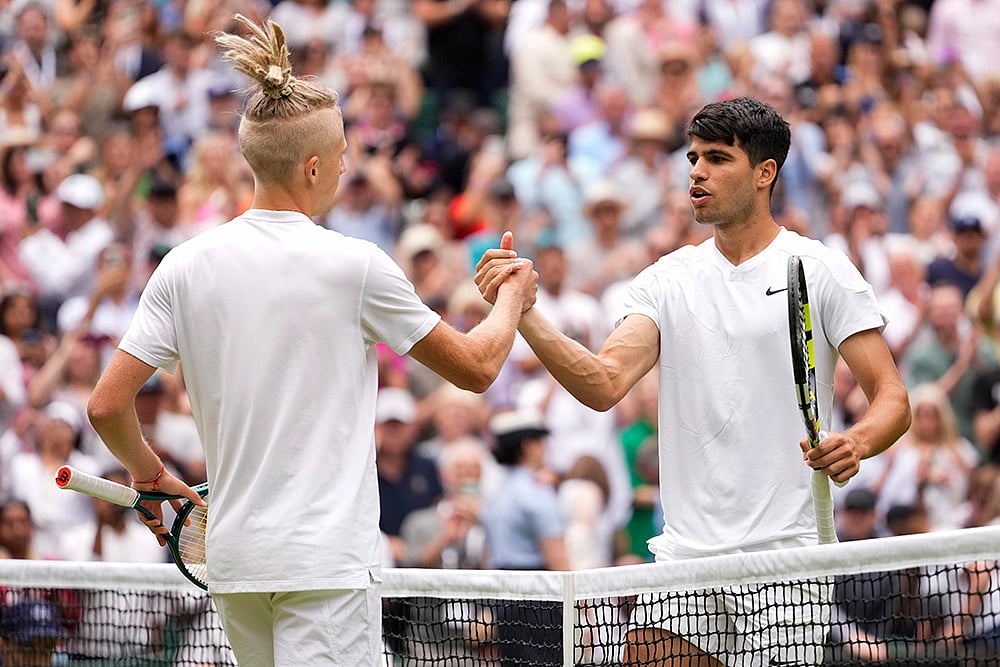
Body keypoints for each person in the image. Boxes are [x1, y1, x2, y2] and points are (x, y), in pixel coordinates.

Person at [83, 14, 537, 667]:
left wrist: (148, 474)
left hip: (237, 563)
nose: (349, 166)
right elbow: (476, 365)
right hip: (324, 565)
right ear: (316, 165)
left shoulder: (183, 264)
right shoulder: (354, 264)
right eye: (346, 155)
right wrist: (515, 295)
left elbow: (105, 405)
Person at [476, 96, 912, 666]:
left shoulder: (818, 268)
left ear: (764, 173)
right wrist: (527, 313)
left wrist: (856, 440)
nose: (697, 172)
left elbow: (892, 398)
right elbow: (604, 383)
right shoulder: (667, 279)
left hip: (787, 560)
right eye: (692, 159)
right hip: (687, 554)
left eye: (717, 158)